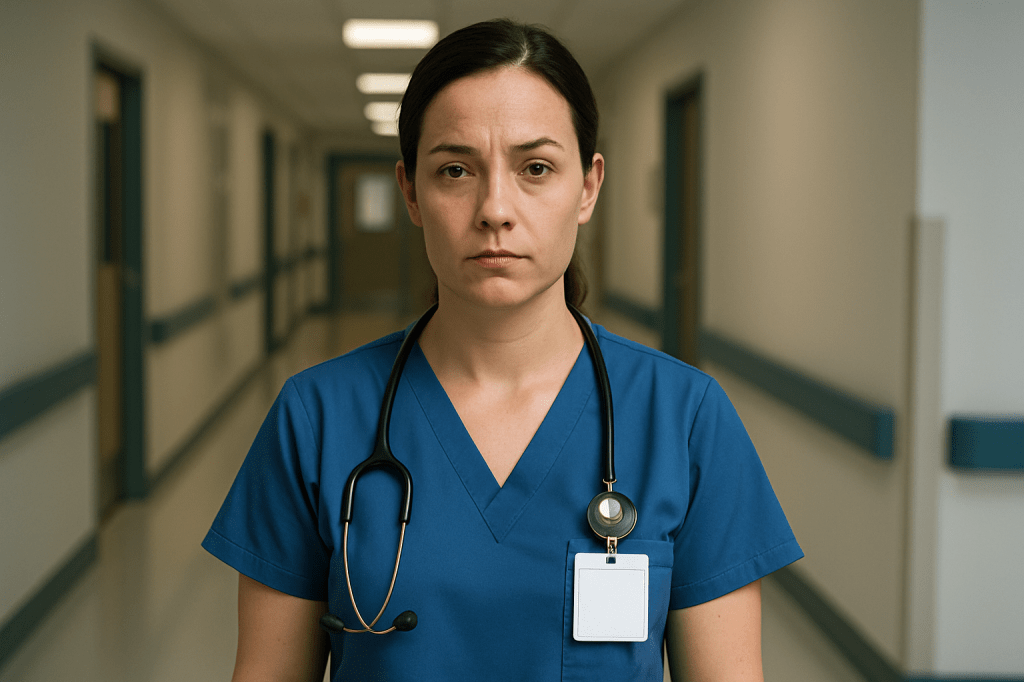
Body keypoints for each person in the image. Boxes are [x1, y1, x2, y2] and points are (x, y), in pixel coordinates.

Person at [203, 18, 802, 681]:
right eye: (455, 169)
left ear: (588, 187)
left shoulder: (684, 419)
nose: (494, 208)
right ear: (410, 192)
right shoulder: (315, 418)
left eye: (536, 167)